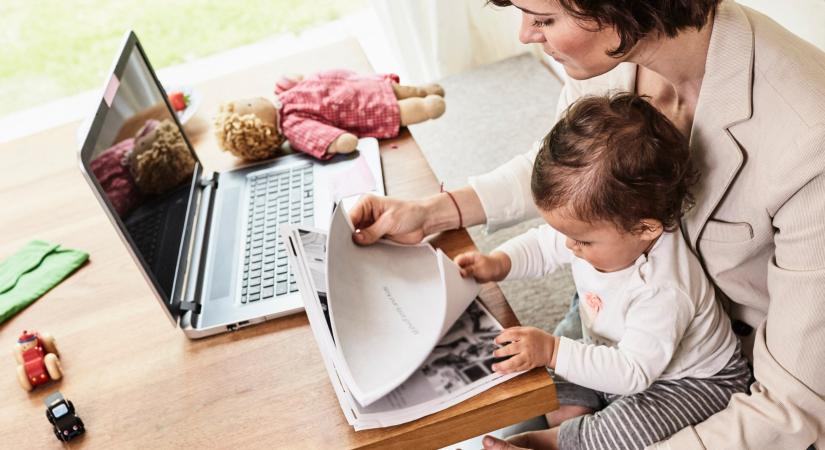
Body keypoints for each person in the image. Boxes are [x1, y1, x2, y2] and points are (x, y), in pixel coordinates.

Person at [349, 1, 825, 448]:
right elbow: (568, 176)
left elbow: (793, 409)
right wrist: (435, 211)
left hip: (719, 374)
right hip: (616, 302)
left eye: (542, 19)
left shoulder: (809, 141)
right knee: (513, 391)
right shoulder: (618, 52)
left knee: (576, 415)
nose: (525, 35)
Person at [454, 92, 749, 449]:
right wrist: (497, 263)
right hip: (617, 351)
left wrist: (551, 350)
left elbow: (633, 373)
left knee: (625, 429)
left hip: (693, 381)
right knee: (549, 385)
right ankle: (568, 417)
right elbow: (541, 245)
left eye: (581, 241)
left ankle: (555, 443)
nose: (568, 246)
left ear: (645, 228)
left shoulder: (664, 288)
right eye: (565, 234)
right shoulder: (596, 233)